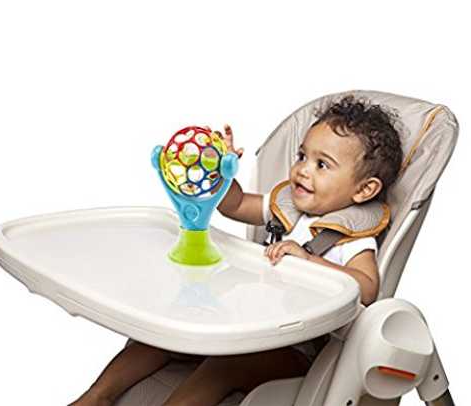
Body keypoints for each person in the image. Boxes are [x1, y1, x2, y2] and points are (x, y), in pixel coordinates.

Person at [69, 95, 403, 406]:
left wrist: (309, 261)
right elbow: (236, 204)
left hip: (297, 348)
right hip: (247, 323)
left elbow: (368, 287)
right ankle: (95, 398)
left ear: (364, 190)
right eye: (302, 156)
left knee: (225, 366)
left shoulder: (352, 237)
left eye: (322, 165)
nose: (303, 169)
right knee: (161, 337)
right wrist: (222, 172)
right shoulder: (286, 206)